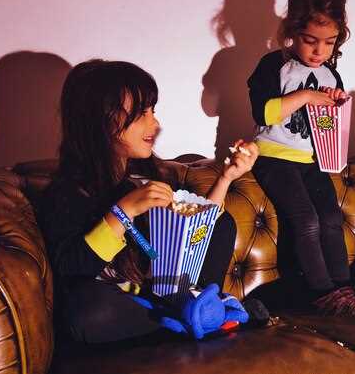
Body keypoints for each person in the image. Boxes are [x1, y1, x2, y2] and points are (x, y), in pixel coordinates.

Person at [37, 59, 258, 343]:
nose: (155, 123)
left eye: (153, 111)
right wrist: (125, 210)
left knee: (220, 222)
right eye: (142, 113)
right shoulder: (66, 193)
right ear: (99, 119)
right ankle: (200, 316)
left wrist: (227, 178)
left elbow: (193, 234)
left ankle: (198, 309)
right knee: (86, 312)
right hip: (128, 304)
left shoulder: (148, 176)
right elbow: (72, 268)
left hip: (166, 293)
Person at [247, 0, 355, 315]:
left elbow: (327, 127)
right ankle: (323, 293)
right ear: (293, 30)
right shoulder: (273, 65)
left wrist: (334, 104)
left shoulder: (330, 75)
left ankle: (343, 290)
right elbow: (263, 113)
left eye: (329, 43)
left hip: (311, 160)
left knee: (331, 217)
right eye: (310, 41)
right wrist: (306, 95)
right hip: (273, 157)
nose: (319, 51)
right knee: (306, 219)